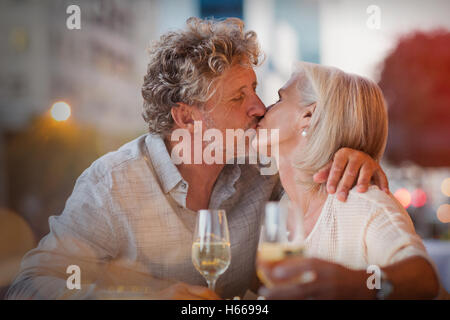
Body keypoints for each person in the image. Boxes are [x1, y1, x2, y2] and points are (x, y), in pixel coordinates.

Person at [6, 18, 388, 300]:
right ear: (187, 117)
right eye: (238, 97)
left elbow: (316, 174)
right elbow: (28, 287)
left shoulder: (264, 167)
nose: (259, 107)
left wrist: (355, 156)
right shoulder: (113, 184)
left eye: (255, 89)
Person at [254, 61, 442, 299]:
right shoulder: (281, 207)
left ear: (309, 116)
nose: (263, 109)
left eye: (280, 99)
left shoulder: (361, 202)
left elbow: (425, 279)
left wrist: (359, 284)